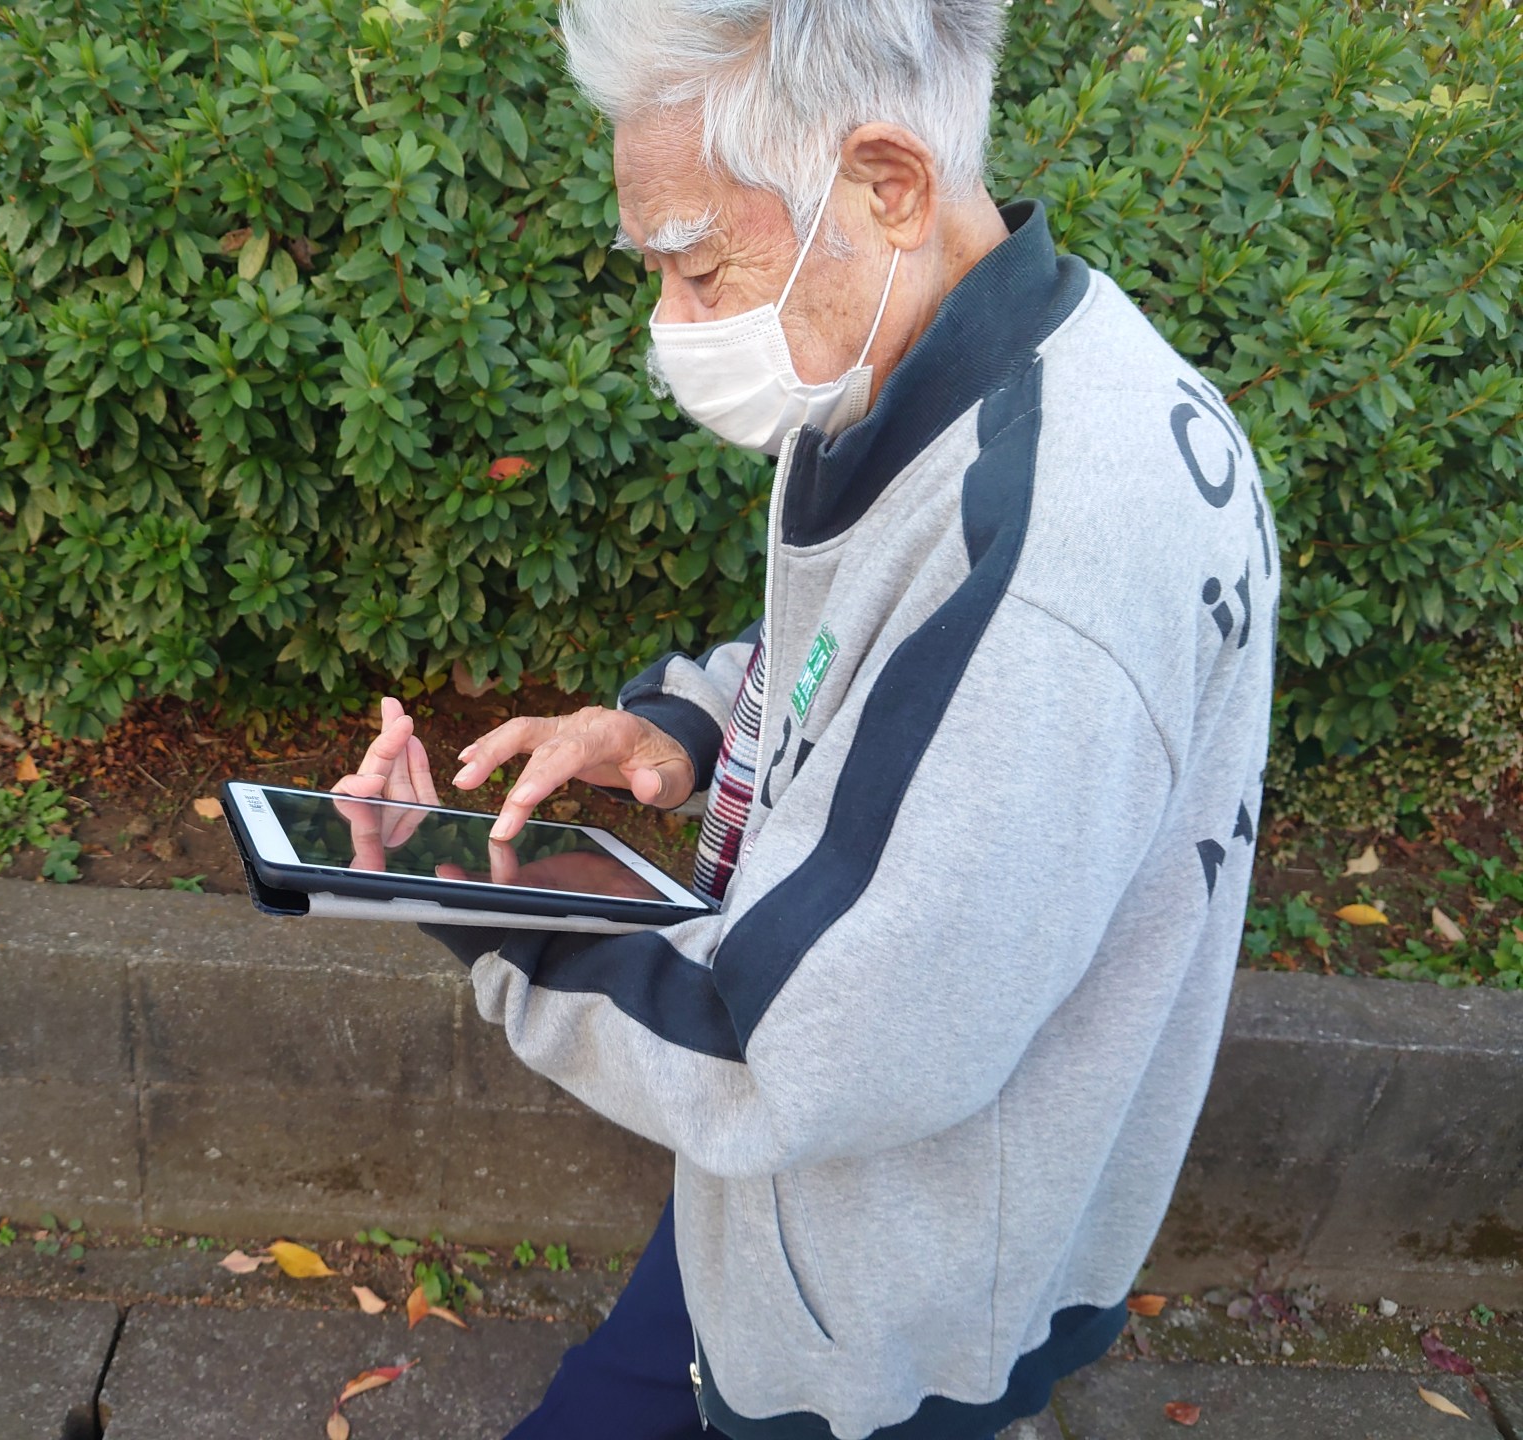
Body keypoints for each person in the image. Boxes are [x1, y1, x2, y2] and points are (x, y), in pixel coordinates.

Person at [333, 0, 1277, 1432]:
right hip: (792, 1211)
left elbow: (797, 1053)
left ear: (887, 183)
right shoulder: (975, 367)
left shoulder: (1053, 560)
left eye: (700, 265)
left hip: (878, 1301)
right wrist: (688, 727)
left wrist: (470, 895)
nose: (672, 325)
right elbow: (872, 658)